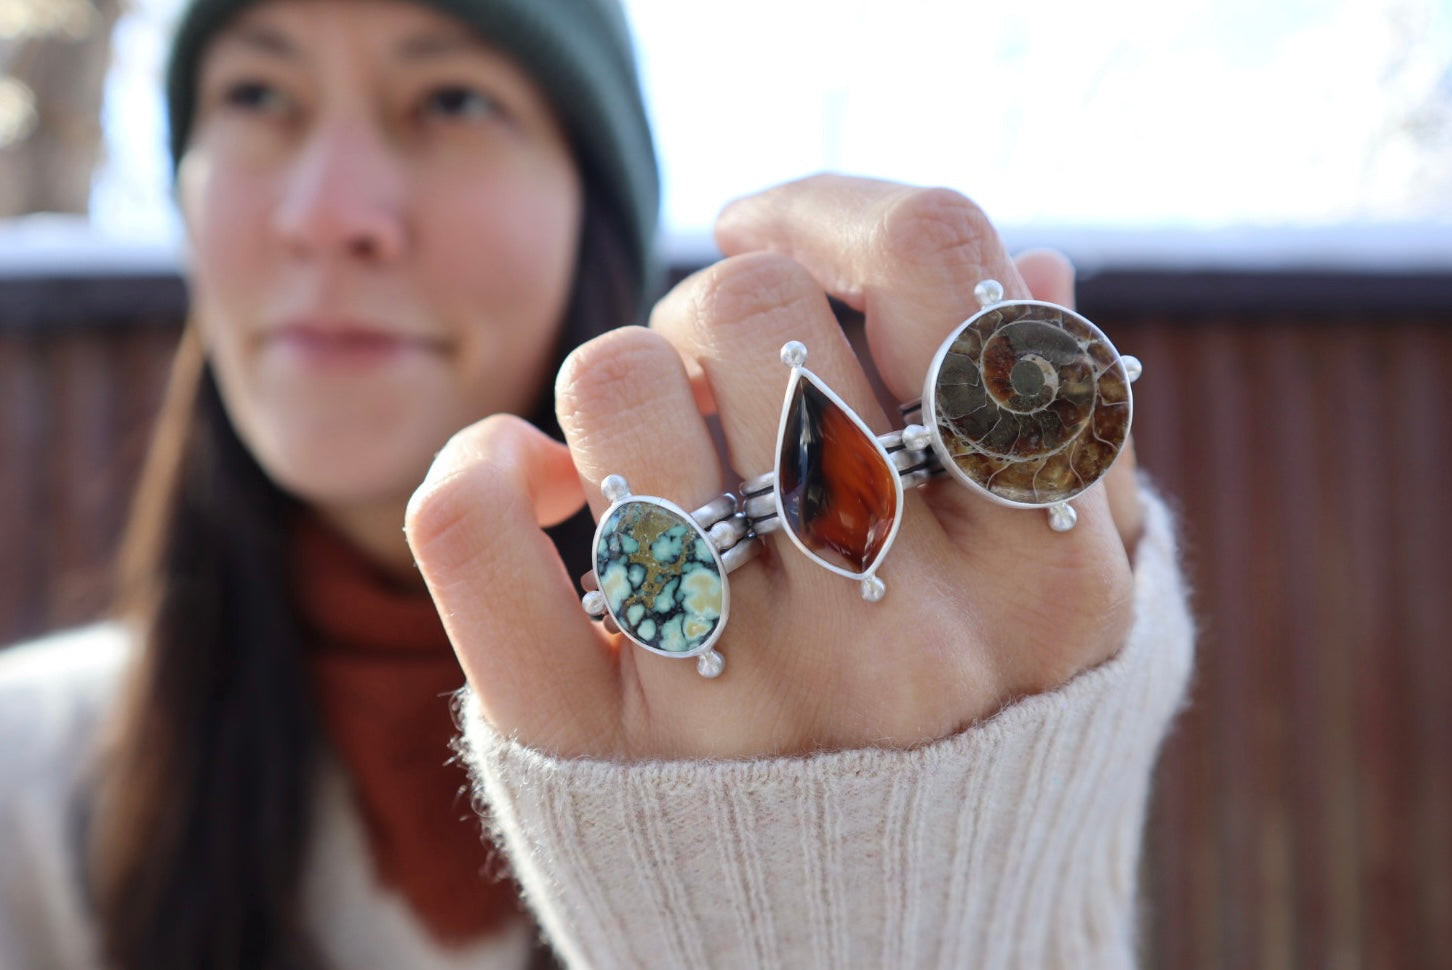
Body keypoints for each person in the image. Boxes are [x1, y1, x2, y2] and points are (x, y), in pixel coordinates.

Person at [0, 0, 1195, 967]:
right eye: (256, 95)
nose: (327, 214)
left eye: (450, 99)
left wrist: (954, 887)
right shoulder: (25, 788)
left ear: (595, 212)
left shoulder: (893, 686)